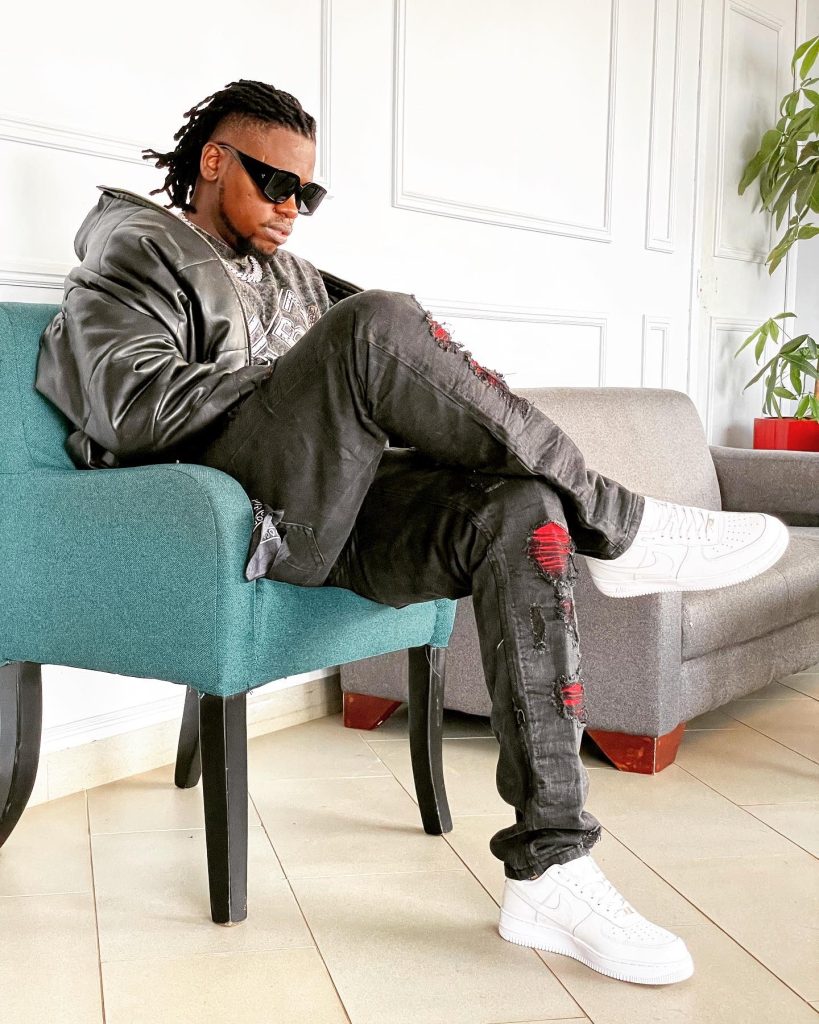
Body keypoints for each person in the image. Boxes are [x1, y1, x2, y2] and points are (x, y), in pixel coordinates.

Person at [35, 80, 788, 987]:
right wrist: (304, 386)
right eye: (275, 183)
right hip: (226, 518)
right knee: (378, 321)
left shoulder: (294, 277)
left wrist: (373, 409)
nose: (291, 208)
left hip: (332, 508)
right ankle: (621, 524)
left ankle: (550, 864)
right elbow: (131, 408)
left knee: (520, 511)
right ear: (213, 161)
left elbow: (395, 383)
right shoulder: (136, 250)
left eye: (307, 192)